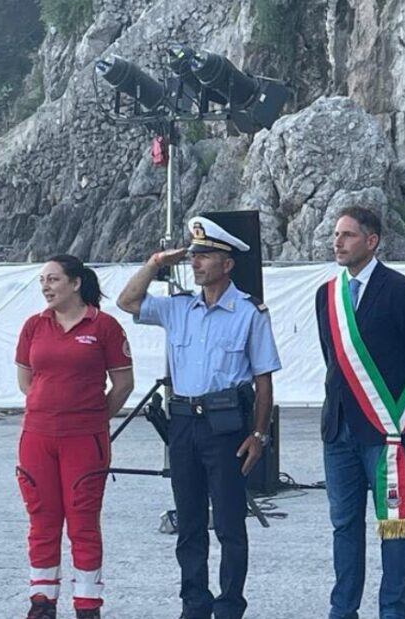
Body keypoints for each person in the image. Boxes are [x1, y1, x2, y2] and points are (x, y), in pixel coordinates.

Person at [117, 217, 281, 619]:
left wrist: (259, 435)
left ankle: (229, 606)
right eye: (193, 256)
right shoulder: (178, 308)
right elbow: (127, 301)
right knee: (189, 522)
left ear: (227, 264)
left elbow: (263, 382)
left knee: (228, 523)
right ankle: (194, 604)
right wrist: (156, 262)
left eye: (205, 255)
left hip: (225, 426)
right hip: (183, 423)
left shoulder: (249, 313)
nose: (195, 263)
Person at [316, 206, 405, 619]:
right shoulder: (327, 295)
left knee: (394, 527)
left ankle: (392, 612)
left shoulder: (400, 290)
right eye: (336, 234)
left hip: (385, 430)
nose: (338, 242)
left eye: (348, 235)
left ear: (371, 241)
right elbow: (333, 360)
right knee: (344, 526)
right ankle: (343, 610)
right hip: (338, 431)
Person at [16, 255, 134, 619]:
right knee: (42, 518)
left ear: (76, 282)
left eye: (53, 279)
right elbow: (26, 381)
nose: (46, 287)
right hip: (37, 436)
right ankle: (42, 600)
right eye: (42, 281)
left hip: (84, 439)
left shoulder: (104, 326)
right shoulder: (34, 326)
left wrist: (91, 417)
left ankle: (87, 604)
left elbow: (124, 385)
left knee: (83, 521)